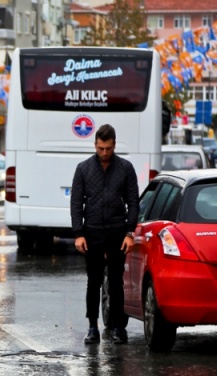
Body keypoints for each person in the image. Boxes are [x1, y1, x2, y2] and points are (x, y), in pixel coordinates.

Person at [70, 124, 140, 345]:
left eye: (108, 148)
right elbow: (76, 203)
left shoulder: (126, 168)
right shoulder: (83, 169)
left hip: (118, 232)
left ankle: (119, 327)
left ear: (114, 145)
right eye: (100, 148)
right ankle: (92, 327)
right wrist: (78, 233)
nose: (104, 153)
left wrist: (129, 232)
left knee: (117, 281)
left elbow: (133, 202)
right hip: (92, 232)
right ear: (95, 145)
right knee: (94, 281)